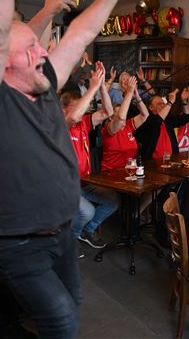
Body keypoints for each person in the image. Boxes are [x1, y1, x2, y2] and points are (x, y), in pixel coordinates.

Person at [0, 0, 128, 338]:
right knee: (60, 318)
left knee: (47, 304)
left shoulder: (41, 81)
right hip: (15, 239)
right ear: (2, 64)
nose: (41, 51)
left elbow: (80, 34)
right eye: (30, 48)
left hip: (58, 229)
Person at [60, 61, 120, 250]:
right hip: (65, 185)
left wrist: (102, 86)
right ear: (63, 109)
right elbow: (74, 117)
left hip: (85, 182)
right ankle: (70, 243)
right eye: (79, 105)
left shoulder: (85, 122)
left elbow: (109, 112)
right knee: (87, 211)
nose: (84, 109)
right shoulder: (60, 123)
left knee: (113, 201)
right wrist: (92, 87)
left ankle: (88, 230)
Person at [101, 73, 149, 170]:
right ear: (110, 118)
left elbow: (145, 115)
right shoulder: (109, 129)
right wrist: (129, 92)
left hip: (128, 173)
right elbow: (120, 118)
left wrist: (137, 97)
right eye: (118, 114)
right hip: (111, 175)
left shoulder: (128, 126)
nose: (122, 115)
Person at [134, 87, 189, 160]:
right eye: (159, 104)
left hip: (171, 161)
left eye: (163, 104)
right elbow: (157, 121)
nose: (163, 106)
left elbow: (186, 118)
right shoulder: (147, 120)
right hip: (152, 164)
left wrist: (184, 101)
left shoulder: (167, 119)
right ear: (151, 107)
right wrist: (170, 103)